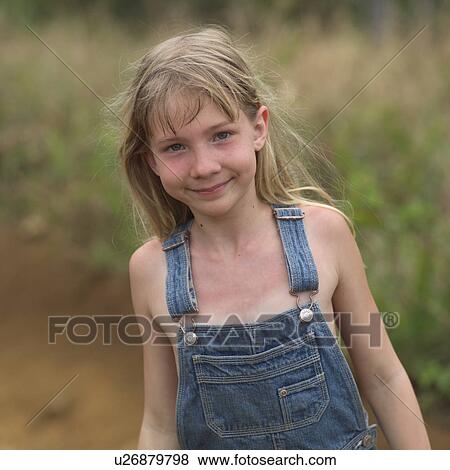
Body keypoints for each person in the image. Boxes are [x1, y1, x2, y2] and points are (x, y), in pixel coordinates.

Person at [116, 25, 431, 450]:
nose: (204, 165)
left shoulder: (325, 234)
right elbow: (159, 424)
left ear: (258, 128)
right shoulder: (151, 269)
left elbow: (383, 376)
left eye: (221, 135)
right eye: (175, 147)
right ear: (149, 160)